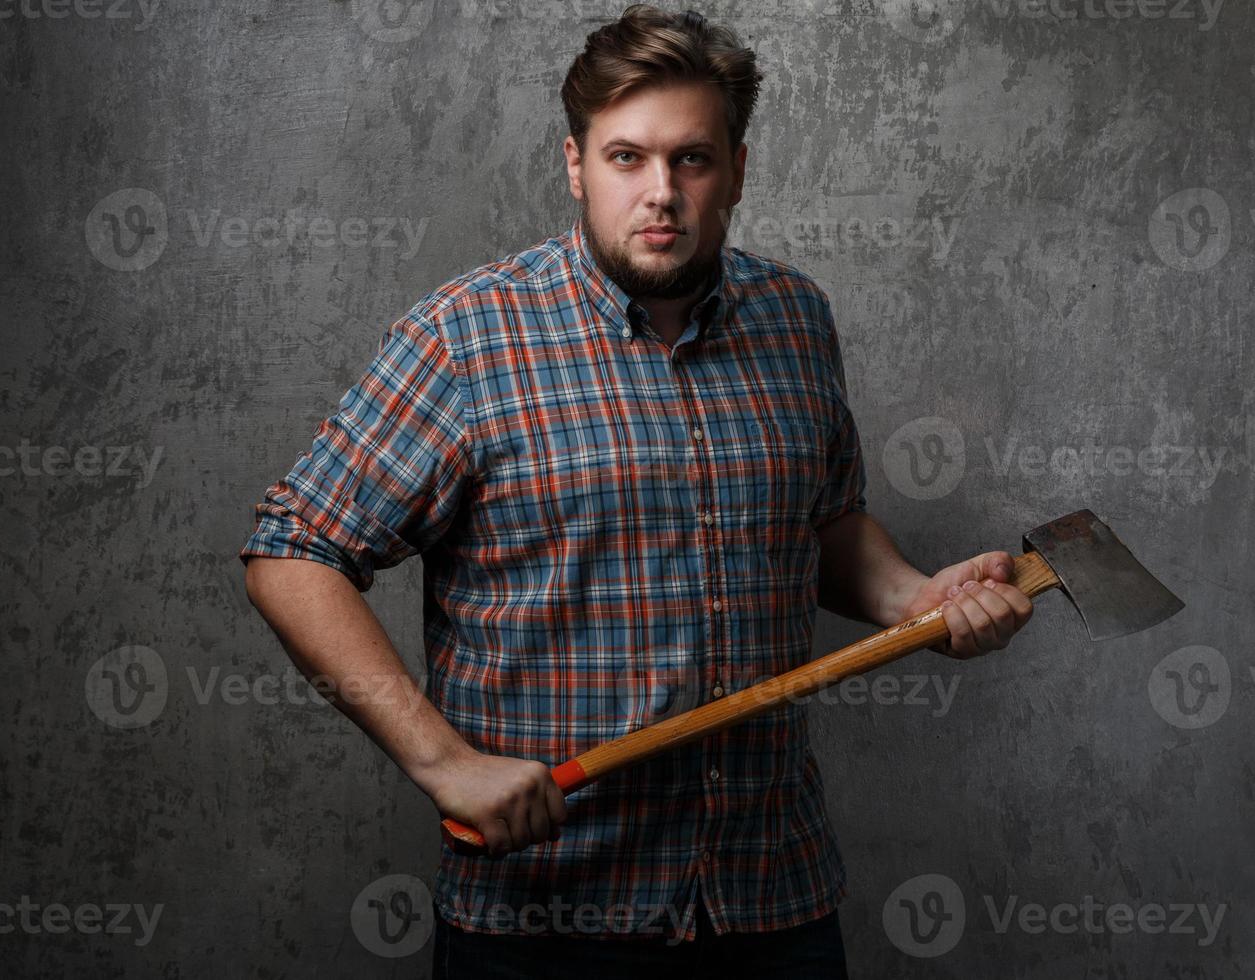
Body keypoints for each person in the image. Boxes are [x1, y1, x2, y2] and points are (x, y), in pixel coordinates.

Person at [239, 5, 1033, 976]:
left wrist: (918, 599)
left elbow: (822, 524)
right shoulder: (468, 338)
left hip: (770, 901)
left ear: (737, 169)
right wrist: (441, 760)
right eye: (626, 158)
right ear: (576, 167)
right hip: (545, 918)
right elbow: (294, 548)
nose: (661, 193)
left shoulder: (795, 318)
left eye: (692, 159)